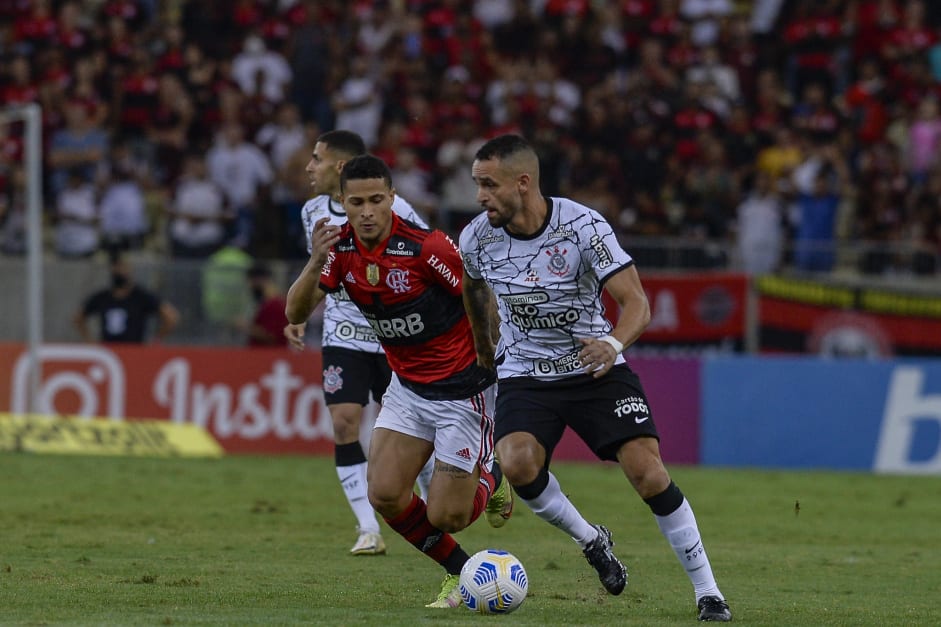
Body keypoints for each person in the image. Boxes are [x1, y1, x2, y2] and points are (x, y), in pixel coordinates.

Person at [459, 134, 732, 622]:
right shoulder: (477, 237)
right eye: (477, 184)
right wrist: (484, 347)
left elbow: (637, 305)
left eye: (488, 184)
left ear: (522, 183)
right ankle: (591, 539)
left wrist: (611, 344)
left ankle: (708, 592)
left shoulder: (582, 226)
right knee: (517, 465)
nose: (479, 196)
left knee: (648, 474)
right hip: (526, 372)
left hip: (595, 366)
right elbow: (474, 289)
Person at [285, 154, 513, 608]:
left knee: (447, 515)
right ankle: (459, 573)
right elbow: (295, 313)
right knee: (385, 495)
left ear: (392, 198)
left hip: (461, 390)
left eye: (375, 200)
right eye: (356, 202)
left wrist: (488, 356)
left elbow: (479, 294)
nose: (366, 211)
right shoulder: (341, 251)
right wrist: (315, 261)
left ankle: (492, 475)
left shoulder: (427, 248)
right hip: (407, 389)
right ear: (343, 204)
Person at [284, 130, 436, 557]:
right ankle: (368, 528)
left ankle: (432, 512)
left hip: (394, 336)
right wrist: (300, 314)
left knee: (411, 433)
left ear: (338, 167)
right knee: (345, 422)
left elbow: (423, 258)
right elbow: (321, 267)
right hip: (343, 332)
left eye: (316, 159)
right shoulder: (312, 210)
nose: (309, 167)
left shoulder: (398, 208)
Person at [74, 254, 180, 344]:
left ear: (129, 270)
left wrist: (156, 339)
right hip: (109, 350)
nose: (118, 270)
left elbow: (170, 316)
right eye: (116, 266)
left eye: (123, 267)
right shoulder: (102, 297)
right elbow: (78, 317)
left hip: (134, 351)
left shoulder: (141, 296)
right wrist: (89, 340)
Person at [244, 262, 289, 348]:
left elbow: (271, 335)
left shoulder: (274, 304)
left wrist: (247, 327)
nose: (250, 287)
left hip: (270, 354)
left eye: (251, 282)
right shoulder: (268, 302)